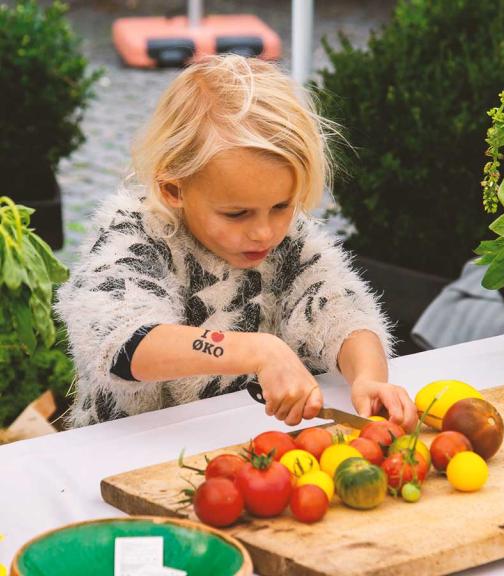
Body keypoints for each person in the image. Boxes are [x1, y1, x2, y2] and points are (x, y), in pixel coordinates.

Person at [56, 55, 417, 430]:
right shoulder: (131, 236)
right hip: (126, 453)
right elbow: (124, 344)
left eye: (281, 206)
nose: (264, 232)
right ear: (173, 188)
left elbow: (342, 312)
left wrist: (368, 378)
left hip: (246, 448)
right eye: (236, 214)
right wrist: (258, 350)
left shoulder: (291, 242)